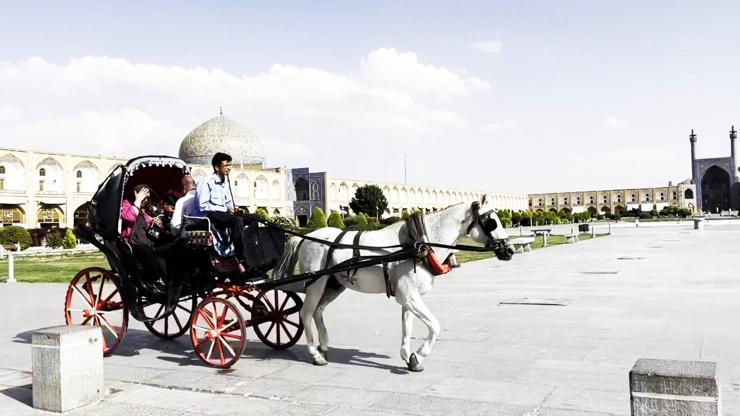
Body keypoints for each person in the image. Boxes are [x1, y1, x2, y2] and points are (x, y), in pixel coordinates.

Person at [196, 152, 247, 265]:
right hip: (211, 215)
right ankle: (241, 255)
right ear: (217, 167)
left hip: (224, 214)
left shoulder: (226, 182)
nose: (229, 168)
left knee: (252, 218)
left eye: (230, 165)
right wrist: (226, 210)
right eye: (226, 165)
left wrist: (236, 209)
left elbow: (229, 203)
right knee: (237, 221)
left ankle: (255, 250)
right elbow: (202, 205)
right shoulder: (206, 182)